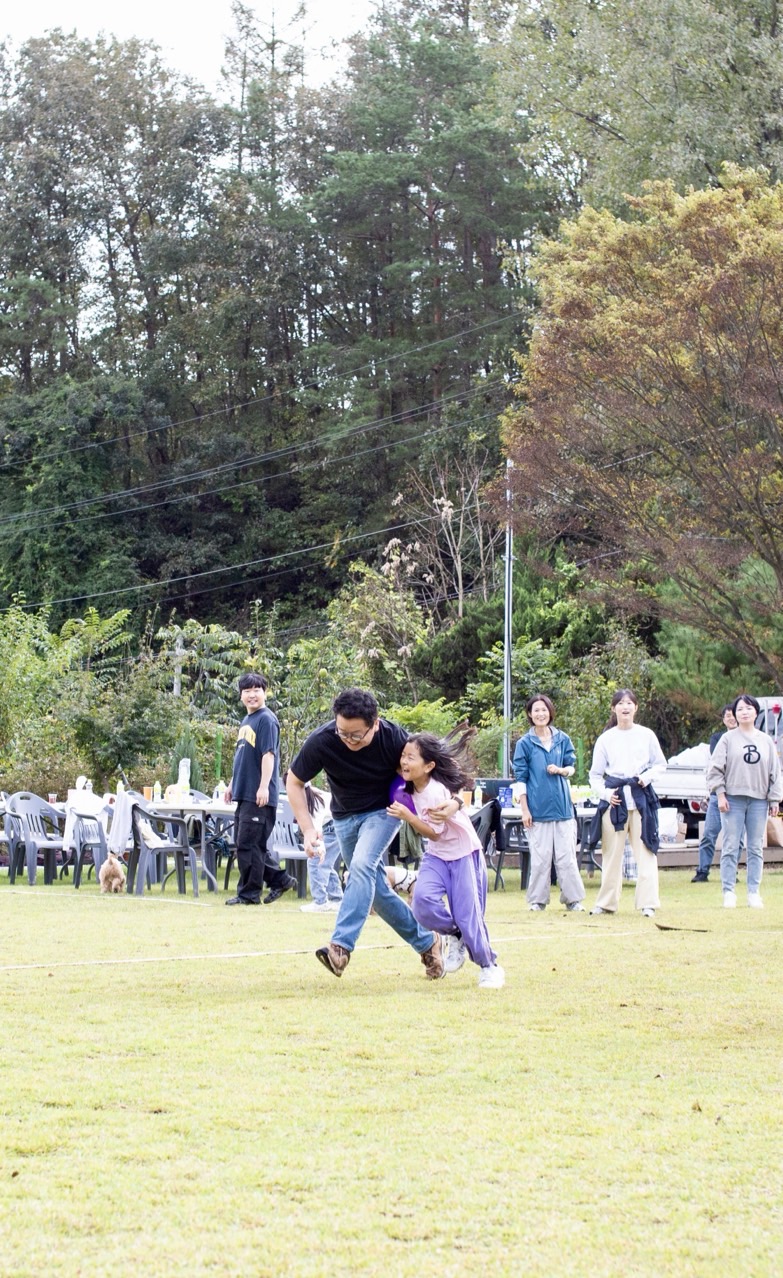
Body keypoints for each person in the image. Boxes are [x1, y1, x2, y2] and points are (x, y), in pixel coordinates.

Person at [286, 688, 457, 979]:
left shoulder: (393, 738)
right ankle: (428, 942)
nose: (348, 740)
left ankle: (340, 947)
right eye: (343, 733)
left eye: (356, 735)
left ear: (375, 723)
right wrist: (308, 829)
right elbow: (294, 781)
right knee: (375, 890)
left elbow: (431, 768)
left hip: (384, 812)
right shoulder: (323, 740)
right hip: (343, 817)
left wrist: (453, 801)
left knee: (361, 868)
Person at [387, 730, 505, 989]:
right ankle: (457, 934)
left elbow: (434, 834)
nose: (404, 762)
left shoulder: (435, 790)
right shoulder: (408, 784)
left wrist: (409, 817)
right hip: (437, 857)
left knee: (469, 914)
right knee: (422, 903)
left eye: (411, 758)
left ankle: (489, 966)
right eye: (403, 756)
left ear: (429, 766)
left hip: (463, 854)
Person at [588, 689, 666, 918]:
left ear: (636, 708)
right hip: (615, 802)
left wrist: (646, 777)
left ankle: (648, 903)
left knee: (646, 852)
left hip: (641, 799)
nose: (625, 707)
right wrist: (605, 794)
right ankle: (606, 903)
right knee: (611, 855)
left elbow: (660, 764)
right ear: (613, 708)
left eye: (629, 703)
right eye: (620, 703)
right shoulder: (606, 739)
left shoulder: (646, 735)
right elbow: (594, 776)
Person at [224, 673, 296, 906]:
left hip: (259, 795)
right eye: (247, 691)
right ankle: (280, 880)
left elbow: (268, 755)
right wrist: (232, 784)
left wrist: (265, 786)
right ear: (241, 695)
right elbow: (242, 757)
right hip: (244, 793)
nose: (252, 695)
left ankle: (249, 894)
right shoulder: (247, 721)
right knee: (247, 844)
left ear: (265, 692)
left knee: (249, 845)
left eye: (257, 690)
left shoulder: (266, 720)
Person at [706, 693, 782, 909]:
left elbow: (775, 773)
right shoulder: (727, 739)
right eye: (740, 709)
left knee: (756, 846)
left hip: (759, 800)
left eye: (748, 708)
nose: (744, 712)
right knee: (730, 845)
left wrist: (775, 799)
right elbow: (715, 769)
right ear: (734, 714)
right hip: (732, 800)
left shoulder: (766, 740)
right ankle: (728, 891)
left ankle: (753, 892)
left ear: (756, 712)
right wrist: (720, 794)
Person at [512, 694, 585, 912]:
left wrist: (562, 770)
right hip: (537, 810)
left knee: (567, 858)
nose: (540, 714)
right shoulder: (525, 744)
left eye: (544, 710)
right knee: (540, 859)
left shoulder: (562, 739)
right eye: (536, 710)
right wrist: (525, 810)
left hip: (563, 810)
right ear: (529, 714)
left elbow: (571, 766)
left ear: (550, 712)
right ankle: (537, 901)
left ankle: (573, 900)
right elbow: (520, 779)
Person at [280, 772, 343, 914]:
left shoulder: (313, 801)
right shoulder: (304, 796)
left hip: (334, 827)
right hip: (333, 824)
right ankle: (337, 899)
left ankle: (320, 902)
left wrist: (319, 849)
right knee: (326, 864)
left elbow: (316, 831)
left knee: (316, 861)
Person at [692, 704, 737, 882]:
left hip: (737, 793)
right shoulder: (717, 738)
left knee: (735, 837)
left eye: (733, 715)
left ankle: (732, 872)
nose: (731, 718)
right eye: (727, 716)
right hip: (717, 792)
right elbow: (718, 760)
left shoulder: (747, 737)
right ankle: (702, 871)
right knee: (710, 833)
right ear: (723, 719)